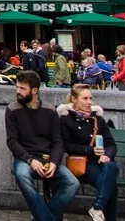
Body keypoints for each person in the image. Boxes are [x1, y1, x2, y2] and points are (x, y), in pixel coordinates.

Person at [5, 70, 79, 221]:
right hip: (25, 158)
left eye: (22, 88)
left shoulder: (49, 110)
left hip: (48, 158)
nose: (18, 91)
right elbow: (12, 141)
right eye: (17, 87)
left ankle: (40, 217)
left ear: (34, 91)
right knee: (22, 175)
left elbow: (58, 141)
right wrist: (30, 160)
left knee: (72, 182)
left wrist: (54, 162)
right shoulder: (12, 109)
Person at [58, 84, 118, 221]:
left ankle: (97, 207)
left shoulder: (98, 119)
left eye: (91, 98)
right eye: (85, 98)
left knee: (112, 166)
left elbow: (111, 144)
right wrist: (91, 150)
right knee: (110, 184)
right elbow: (67, 146)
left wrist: (107, 155)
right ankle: (100, 210)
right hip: (83, 162)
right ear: (74, 99)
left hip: (102, 161)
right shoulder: (66, 119)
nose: (89, 102)